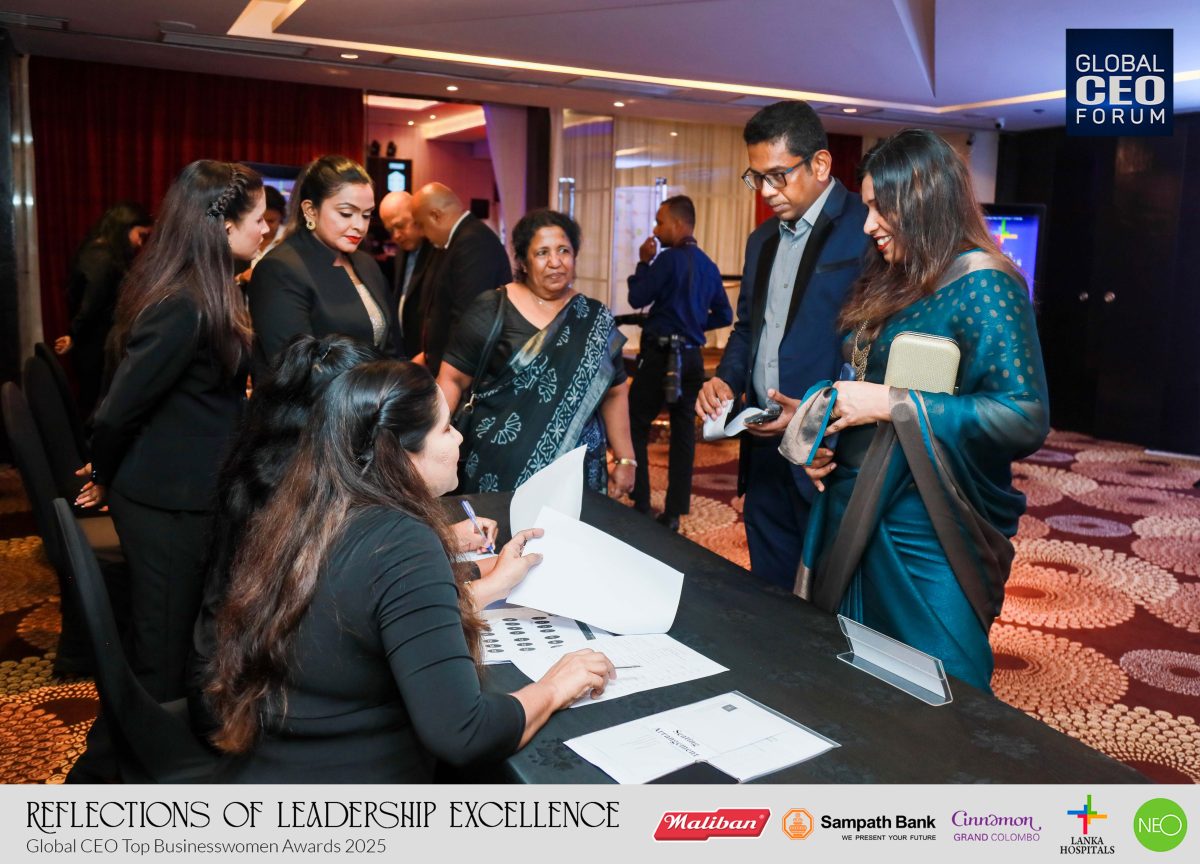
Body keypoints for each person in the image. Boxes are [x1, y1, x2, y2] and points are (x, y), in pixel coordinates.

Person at [204, 360, 616, 782]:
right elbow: (465, 733)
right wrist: (555, 686)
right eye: (446, 429)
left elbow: (371, 603)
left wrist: (486, 579)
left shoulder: (315, 507)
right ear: (400, 452)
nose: (460, 437)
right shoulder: (402, 540)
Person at [789, 129, 1049, 692]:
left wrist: (891, 403)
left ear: (924, 201)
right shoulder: (894, 274)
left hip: (928, 522)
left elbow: (1024, 414)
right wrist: (828, 434)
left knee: (945, 686)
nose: (868, 225)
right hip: (851, 501)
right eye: (866, 208)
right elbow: (866, 377)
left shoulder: (985, 282)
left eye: (880, 208)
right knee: (851, 673)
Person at [188, 334, 503, 730]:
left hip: (256, 679)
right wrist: (490, 584)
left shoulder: (291, 467)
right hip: (247, 698)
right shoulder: (292, 489)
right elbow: (366, 607)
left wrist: (455, 549)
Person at [78, 160, 267, 703]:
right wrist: (103, 473)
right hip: (165, 502)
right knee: (161, 649)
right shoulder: (183, 304)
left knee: (186, 640)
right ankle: (135, 747)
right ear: (224, 227)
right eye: (258, 218)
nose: (264, 229)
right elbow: (117, 410)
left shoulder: (210, 289)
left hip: (190, 492)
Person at [695, 100, 869, 588]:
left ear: (820, 164)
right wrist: (725, 380)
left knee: (829, 597)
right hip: (764, 445)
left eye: (778, 176)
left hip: (827, 454)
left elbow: (873, 350)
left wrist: (816, 420)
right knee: (769, 591)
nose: (767, 191)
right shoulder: (762, 240)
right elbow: (748, 328)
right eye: (757, 177)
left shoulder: (865, 230)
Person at [437, 209, 635, 497]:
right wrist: (435, 445)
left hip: (574, 475)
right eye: (542, 252)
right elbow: (451, 379)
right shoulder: (493, 308)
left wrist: (626, 459)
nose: (555, 262)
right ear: (523, 262)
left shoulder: (595, 318)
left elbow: (615, 393)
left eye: (564, 250)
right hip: (497, 471)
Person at [627, 195, 732, 531]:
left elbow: (637, 297)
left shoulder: (667, 259)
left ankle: (641, 501)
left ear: (677, 223)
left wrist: (644, 262)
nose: (656, 230)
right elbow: (724, 315)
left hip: (660, 357)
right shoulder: (708, 265)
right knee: (684, 432)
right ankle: (674, 513)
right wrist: (693, 325)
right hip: (691, 358)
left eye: (660, 222)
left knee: (636, 424)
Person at [247, 155, 398, 372]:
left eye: (366, 215)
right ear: (310, 210)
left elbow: (391, 347)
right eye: (346, 213)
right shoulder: (279, 269)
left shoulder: (366, 264)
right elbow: (296, 370)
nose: (360, 226)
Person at [53, 201, 153, 418]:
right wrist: (73, 334)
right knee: (97, 406)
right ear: (125, 228)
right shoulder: (102, 257)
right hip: (96, 346)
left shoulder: (100, 251)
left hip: (96, 343)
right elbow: (91, 304)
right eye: (140, 235)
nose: (140, 243)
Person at [410, 183, 512, 373]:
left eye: (422, 225)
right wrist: (428, 355)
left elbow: (468, 319)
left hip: (461, 374)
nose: (422, 234)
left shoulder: (473, 242)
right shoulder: (459, 240)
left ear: (436, 215)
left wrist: (448, 376)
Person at [378, 190, 433, 358]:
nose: (396, 236)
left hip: (426, 351)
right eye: (390, 230)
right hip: (403, 348)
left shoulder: (437, 250)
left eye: (400, 225)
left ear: (416, 215)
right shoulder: (401, 252)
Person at [234, 185, 287, 287]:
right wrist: (242, 278)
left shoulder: (289, 240)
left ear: (282, 217)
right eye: (259, 220)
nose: (265, 227)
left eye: (271, 221)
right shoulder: (241, 240)